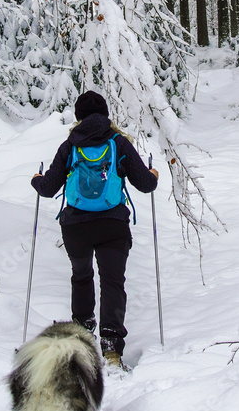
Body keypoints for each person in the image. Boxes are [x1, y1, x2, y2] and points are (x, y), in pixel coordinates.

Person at [31, 90, 159, 368]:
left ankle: (82, 335)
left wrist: (36, 179)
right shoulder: (118, 143)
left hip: (76, 226)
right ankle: (111, 350)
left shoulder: (70, 145)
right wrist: (153, 174)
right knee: (113, 281)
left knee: (81, 275)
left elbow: (49, 187)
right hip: (113, 225)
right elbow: (145, 185)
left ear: (78, 117)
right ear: (105, 115)